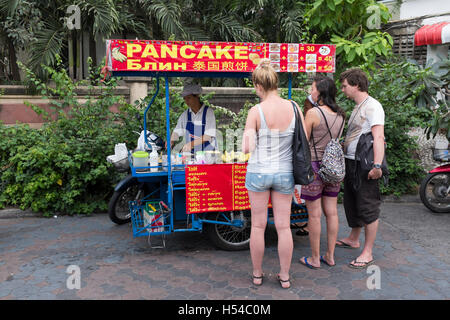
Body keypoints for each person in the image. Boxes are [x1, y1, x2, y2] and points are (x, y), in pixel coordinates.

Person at [242, 59, 305, 289]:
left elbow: (246, 148)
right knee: (283, 226)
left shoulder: (256, 111)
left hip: (258, 172)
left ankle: (258, 275)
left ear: (259, 85)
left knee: (258, 226)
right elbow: (303, 141)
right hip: (284, 173)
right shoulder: (295, 108)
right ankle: (285, 276)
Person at [337, 68, 385, 269]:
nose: (342, 89)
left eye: (345, 85)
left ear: (356, 85)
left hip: (365, 164)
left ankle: (368, 252)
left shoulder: (373, 106)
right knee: (352, 201)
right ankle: (354, 238)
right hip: (351, 162)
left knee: (367, 206)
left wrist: (377, 165)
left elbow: (378, 137)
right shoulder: (359, 106)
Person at [299, 76, 345, 269]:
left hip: (315, 168)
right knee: (332, 213)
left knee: (315, 215)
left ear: (320, 92)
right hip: (333, 168)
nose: (311, 91)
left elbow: (302, 141)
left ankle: (316, 258)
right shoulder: (341, 115)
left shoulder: (313, 114)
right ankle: (330, 255)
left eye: (312, 88)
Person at [170, 83, 216, 153]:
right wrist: (171, 141)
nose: (186, 101)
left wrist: (190, 144)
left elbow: (208, 136)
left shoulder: (208, 113)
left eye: (189, 98)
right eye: (185, 98)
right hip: (191, 155)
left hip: (208, 154)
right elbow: (177, 131)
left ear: (197, 96)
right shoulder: (185, 115)